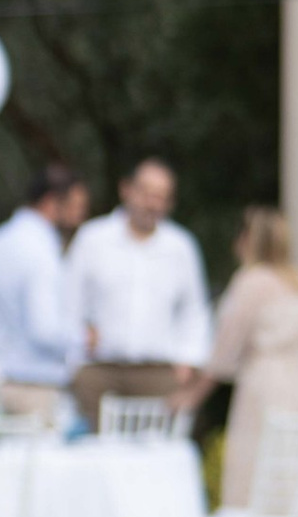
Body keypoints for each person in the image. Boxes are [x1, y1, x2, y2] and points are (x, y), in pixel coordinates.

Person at [176, 206, 298, 505]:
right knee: (291, 473)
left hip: (264, 390)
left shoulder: (251, 282)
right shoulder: (297, 282)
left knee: (256, 472)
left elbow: (224, 353)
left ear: (247, 239)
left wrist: (191, 396)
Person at [68, 158, 212, 423]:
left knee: (156, 454)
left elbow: (195, 310)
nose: (152, 203)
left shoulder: (181, 246)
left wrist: (188, 361)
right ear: (126, 190)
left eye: (161, 197)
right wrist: (75, 356)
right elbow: (70, 300)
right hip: (99, 370)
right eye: (147, 193)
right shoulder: (92, 238)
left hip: (158, 372)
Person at [0, 163, 88, 421]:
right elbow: (45, 330)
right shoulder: (42, 252)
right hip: (32, 390)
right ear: (51, 202)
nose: (80, 217)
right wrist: (84, 338)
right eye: (76, 207)